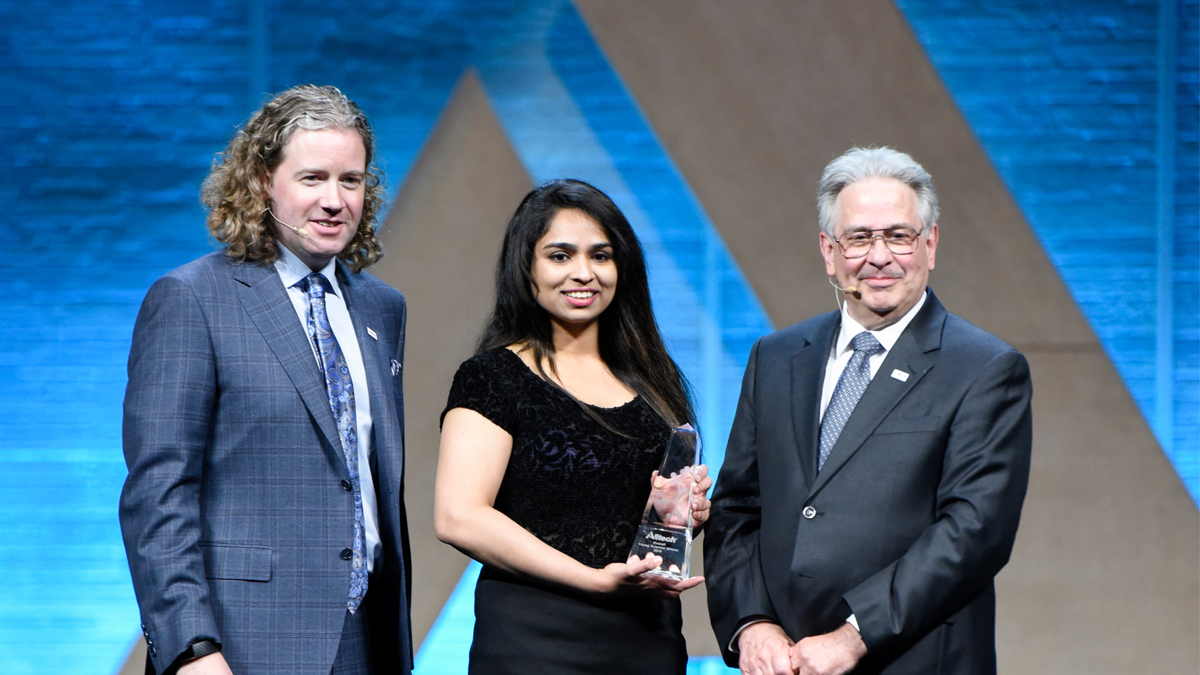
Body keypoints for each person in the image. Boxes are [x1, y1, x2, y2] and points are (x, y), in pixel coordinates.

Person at [704, 147, 1032, 675]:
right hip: (785, 664)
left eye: (898, 236)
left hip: (914, 658)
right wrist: (751, 623)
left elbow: (973, 531)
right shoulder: (777, 356)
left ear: (930, 244)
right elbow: (738, 507)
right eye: (858, 238)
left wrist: (854, 635)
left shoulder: (985, 367)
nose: (879, 257)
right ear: (829, 252)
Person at [119, 85, 412, 675]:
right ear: (261, 182)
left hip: (368, 641)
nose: (335, 200)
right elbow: (159, 494)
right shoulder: (191, 299)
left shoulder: (383, 308)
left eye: (350, 180)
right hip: (241, 644)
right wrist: (191, 648)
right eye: (312, 178)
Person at [434, 179, 713, 674]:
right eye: (560, 256)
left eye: (600, 256)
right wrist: (591, 579)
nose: (583, 273)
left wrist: (682, 512)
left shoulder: (656, 381)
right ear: (528, 269)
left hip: (647, 641)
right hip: (533, 644)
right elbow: (458, 516)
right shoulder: (493, 376)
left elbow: (632, 512)